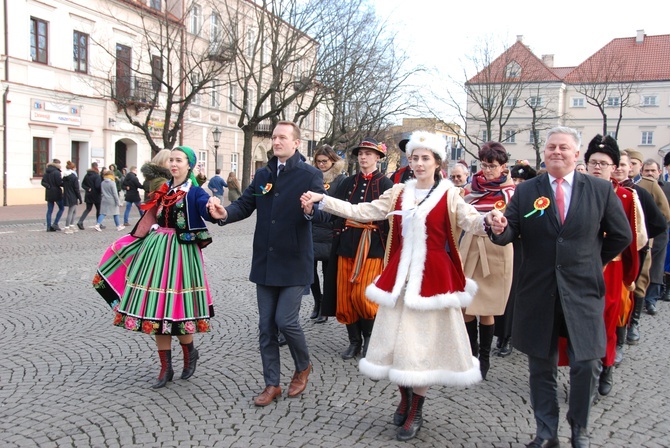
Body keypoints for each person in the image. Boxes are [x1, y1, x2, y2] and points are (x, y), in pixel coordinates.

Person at [300, 131, 488, 441]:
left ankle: (417, 409)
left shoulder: (449, 194)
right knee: (395, 342)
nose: (418, 163)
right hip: (399, 279)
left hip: (433, 282)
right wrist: (324, 200)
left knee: (422, 348)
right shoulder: (399, 191)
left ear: (437, 162)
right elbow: (364, 211)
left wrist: (492, 221)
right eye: (414, 158)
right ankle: (404, 397)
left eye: (425, 158)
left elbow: (471, 221)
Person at [488, 126, 632, 448]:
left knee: (587, 362)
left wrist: (593, 260)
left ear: (576, 154)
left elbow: (622, 235)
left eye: (564, 147)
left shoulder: (599, 190)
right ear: (544, 152)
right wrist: (498, 228)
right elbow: (509, 229)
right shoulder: (526, 191)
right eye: (551, 146)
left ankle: (578, 429)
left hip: (582, 291)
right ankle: (546, 432)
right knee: (542, 366)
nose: (556, 151)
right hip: (539, 291)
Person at [209, 121, 327, 406]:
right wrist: (224, 212)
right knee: (266, 326)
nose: (276, 141)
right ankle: (271, 383)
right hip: (265, 261)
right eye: (274, 137)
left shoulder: (310, 174)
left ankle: (303, 366)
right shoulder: (263, 174)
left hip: (295, 261)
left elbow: (326, 215)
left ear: (296, 143)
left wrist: (312, 210)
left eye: (282, 137)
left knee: (286, 321)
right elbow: (245, 205)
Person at [94, 146, 224, 389]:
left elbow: (209, 208)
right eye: (171, 160)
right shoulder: (163, 190)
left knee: (178, 310)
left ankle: (189, 353)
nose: (174, 164)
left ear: (189, 165)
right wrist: (126, 244)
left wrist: (213, 208)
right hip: (156, 252)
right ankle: (165, 367)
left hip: (183, 254)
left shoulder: (195, 193)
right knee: (156, 309)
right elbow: (149, 218)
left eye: (179, 160)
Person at [583, 135, 643, 396]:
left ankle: (605, 367)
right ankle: (583, 371)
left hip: (611, 268)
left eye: (604, 163)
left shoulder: (626, 196)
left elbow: (635, 237)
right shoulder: (574, 192)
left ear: (614, 167)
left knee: (606, 321)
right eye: (593, 162)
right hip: (579, 268)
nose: (598, 167)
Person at [324, 138, 393, 360]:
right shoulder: (347, 182)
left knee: (364, 296)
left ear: (378, 158)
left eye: (369, 153)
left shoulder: (386, 184)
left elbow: (391, 218)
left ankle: (370, 340)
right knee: (345, 295)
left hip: (373, 247)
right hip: (346, 244)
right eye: (361, 153)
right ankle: (354, 341)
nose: (363, 157)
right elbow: (334, 209)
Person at [459, 142, 515, 379]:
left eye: (492, 166)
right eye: (484, 165)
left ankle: (484, 357)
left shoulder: (510, 192)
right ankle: (470, 355)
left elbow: (514, 221)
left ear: (503, 166)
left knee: (487, 305)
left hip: (495, 248)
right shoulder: (472, 187)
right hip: (470, 245)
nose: (488, 170)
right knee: (467, 304)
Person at [493, 161, 537, 357]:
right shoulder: (507, 196)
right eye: (516, 179)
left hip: (526, 248)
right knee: (504, 291)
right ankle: (502, 334)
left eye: (522, 180)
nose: (518, 183)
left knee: (518, 293)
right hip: (507, 245)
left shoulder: (536, 198)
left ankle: (511, 336)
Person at [310, 145, 346, 323]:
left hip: (330, 229)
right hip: (312, 228)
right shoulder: (311, 176)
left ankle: (325, 308)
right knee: (310, 272)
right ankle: (318, 301)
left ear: (332, 160)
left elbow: (340, 204)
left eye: (325, 161)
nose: (321, 164)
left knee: (327, 272)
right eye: (318, 161)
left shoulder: (340, 179)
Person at [77, 162, 102, 230]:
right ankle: (98, 223)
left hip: (88, 194)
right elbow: (97, 186)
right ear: (96, 167)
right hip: (96, 195)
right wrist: (101, 191)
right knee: (99, 209)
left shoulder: (87, 175)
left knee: (88, 209)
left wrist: (88, 189)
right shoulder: (97, 176)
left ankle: (80, 221)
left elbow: (83, 184)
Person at [42, 158, 65, 232]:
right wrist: (65, 182)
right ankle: (55, 223)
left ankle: (48, 227)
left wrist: (48, 186)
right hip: (56, 192)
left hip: (49, 192)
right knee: (61, 208)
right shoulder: (57, 172)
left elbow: (43, 182)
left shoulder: (46, 172)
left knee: (49, 210)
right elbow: (59, 183)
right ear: (57, 164)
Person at [62, 161, 83, 234]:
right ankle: (67, 227)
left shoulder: (65, 177)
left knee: (74, 211)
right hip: (73, 195)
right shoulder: (74, 177)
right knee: (70, 212)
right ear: (73, 168)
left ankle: (71, 225)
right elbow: (76, 189)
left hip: (66, 194)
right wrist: (80, 198)